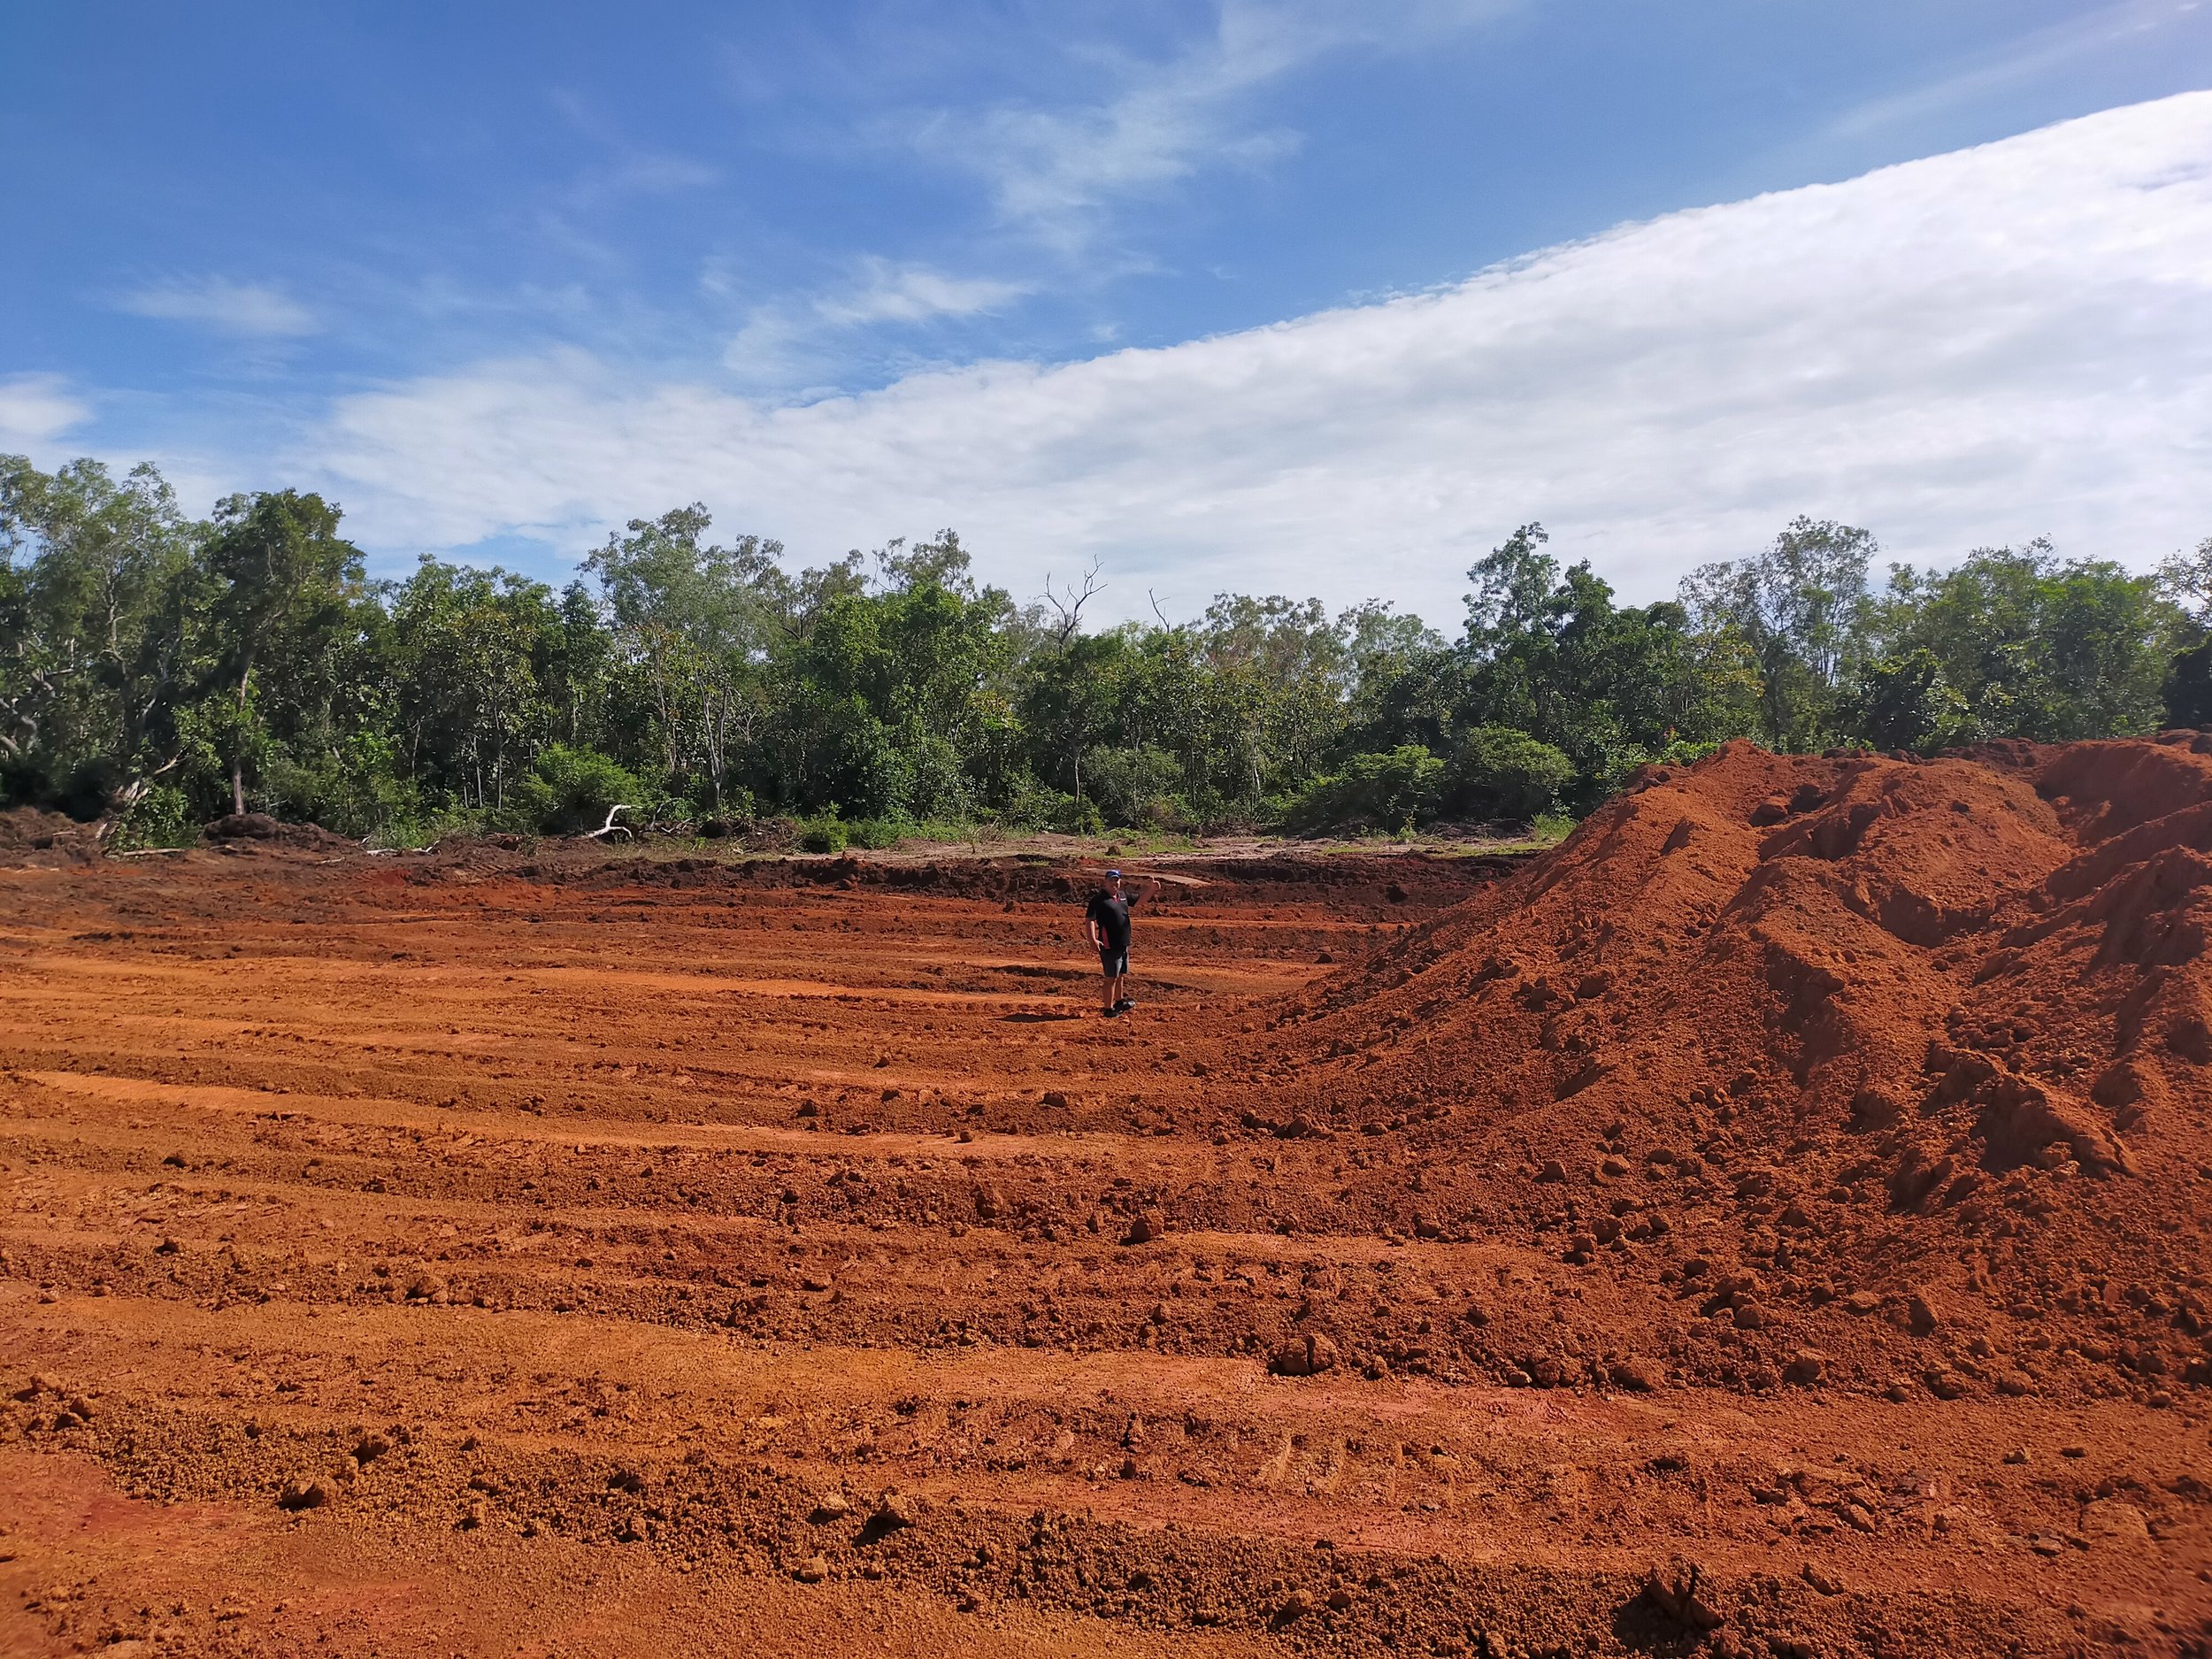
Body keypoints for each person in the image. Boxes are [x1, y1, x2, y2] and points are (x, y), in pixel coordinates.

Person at [1084, 868, 1156, 1016]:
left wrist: (1152, 890)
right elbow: (1090, 920)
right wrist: (1092, 940)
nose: (1114, 883)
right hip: (1109, 945)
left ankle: (1119, 1001)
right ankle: (1108, 1009)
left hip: (1123, 944)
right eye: (1111, 880)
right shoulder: (1098, 900)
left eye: (1116, 880)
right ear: (1105, 882)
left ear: (1119, 881)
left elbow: (1139, 901)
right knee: (1111, 977)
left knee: (1120, 974)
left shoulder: (1122, 896)